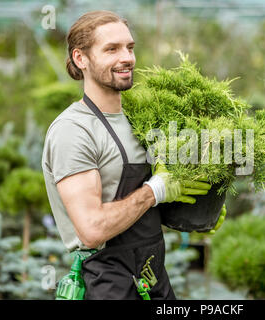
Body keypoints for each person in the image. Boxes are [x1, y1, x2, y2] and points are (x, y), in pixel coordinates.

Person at [41, 10, 214, 300]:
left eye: (129, 47)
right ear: (80, 58)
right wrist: (154, 191)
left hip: (153, 277)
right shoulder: (73, 130)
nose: (127, 58)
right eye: (111, 49)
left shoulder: (139, 120)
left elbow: (143, 205)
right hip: (108, 283)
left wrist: (196, 210)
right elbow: (92, 230)